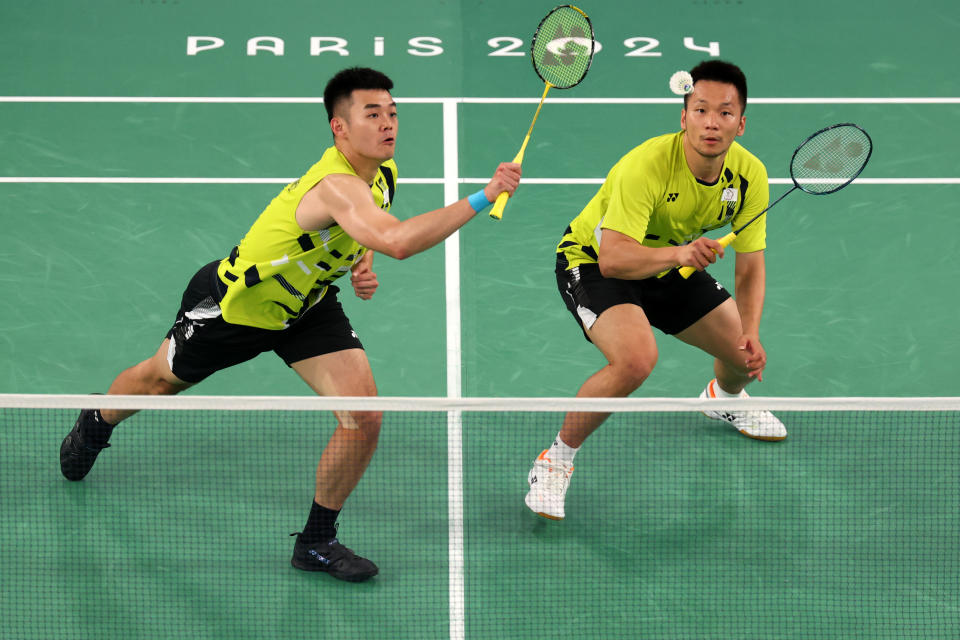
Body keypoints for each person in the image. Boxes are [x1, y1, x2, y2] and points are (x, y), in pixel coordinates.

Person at [59, 66, 522, 581]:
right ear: (338, 127)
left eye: (393, 113)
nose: (389, 123)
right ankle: (96, 422)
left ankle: (317, 542)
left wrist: (359, 265)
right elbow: (397, 240)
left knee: (363, 417)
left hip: (306, 306)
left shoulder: (381, 175)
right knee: (158, 382)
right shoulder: (336, 186)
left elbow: (366, 233)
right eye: (373, 114)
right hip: (236, 309)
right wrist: (484, 195)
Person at [524, 60, 785, 521]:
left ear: (740, 124)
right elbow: (615, 259)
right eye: (700, 109)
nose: (711, 122)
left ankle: (723, 402)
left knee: (743, 356)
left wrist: (754, 331)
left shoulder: (750, 177)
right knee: (635, 360)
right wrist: (681, 255)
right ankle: (555, 460)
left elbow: (751, 266)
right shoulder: (645, 165)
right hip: (596, 261)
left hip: (670, 262)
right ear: (683, 116)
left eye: (724, 113)